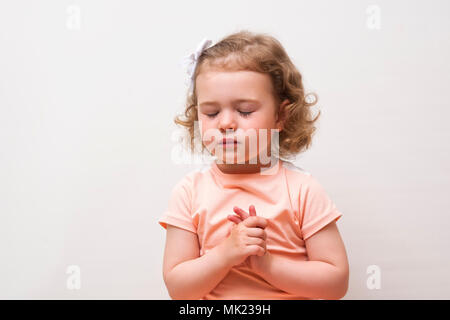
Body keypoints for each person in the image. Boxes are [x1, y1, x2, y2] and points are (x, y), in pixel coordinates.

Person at [158, 30, 349, 300]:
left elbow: (336, 284)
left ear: (280, 115)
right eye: (211, 113)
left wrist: (265, 264)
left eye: (245, 111)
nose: (225, 124)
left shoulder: (302, 189)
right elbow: (179, 290)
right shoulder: (189, 192)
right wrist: (226, 254)